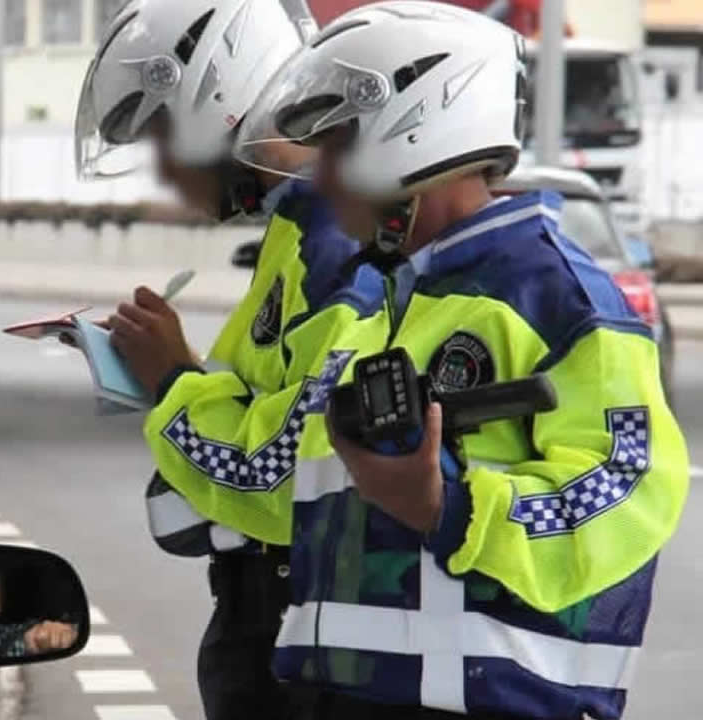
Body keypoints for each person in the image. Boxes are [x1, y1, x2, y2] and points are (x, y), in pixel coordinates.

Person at [148, 2, 686, 718]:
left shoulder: (555, 294)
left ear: (417, 132)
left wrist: (448, 507)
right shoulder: (398, 304)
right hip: (346, 695)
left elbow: (628, 486)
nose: (321, 174)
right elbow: (296, 481)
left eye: (338, 146)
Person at [78, 1, 386, 718]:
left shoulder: (336, 247)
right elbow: (269, 398)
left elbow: (285, 469)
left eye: (161, 136)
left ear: (217, 109)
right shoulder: (297, 233)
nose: (162, 171)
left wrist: (174, 381)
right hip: (280, 628)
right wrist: (177, 366)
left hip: (308, 645)